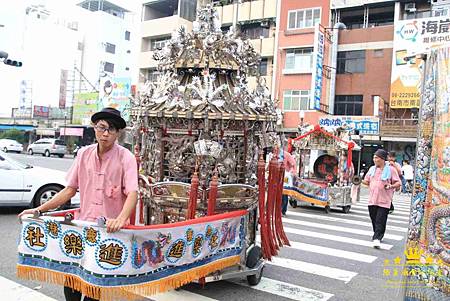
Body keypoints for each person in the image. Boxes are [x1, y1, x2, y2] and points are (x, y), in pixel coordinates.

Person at [19, 107, 138, 301]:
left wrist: (120, 219)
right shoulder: (84, 154)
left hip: (108, 232)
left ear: (118, 133)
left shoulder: (126, 157)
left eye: (112, 129)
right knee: (72, 282)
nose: (106, 133)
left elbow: (132, 192)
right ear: (95, 128)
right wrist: (38, 210)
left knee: (95, 288)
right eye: (102, 128)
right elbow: (69, 189)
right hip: (83, 228)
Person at [361, 149, 401, 249]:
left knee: (380, 220)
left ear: (382, 159)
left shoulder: (391, 170)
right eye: (374, 157)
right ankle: (378, 233)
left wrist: (390, 186)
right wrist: (358, 181)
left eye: (376, 157)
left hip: (384, 200)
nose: (374, 159)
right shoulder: (372, 169)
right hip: (372, 200)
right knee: (374, 218)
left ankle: (377, 238)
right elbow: (366, 181)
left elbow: (398, 183)